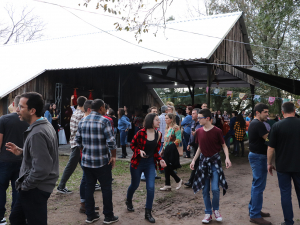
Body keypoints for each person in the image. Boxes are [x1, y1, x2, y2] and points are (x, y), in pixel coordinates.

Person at [6, 92, 59, 225]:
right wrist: (22, 152)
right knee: (16, 218)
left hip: (35, 188)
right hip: (35, 186)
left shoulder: (37, 133)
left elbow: (42, 168)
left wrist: (25, 186)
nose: (17, 110)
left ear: (32, 110)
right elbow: (43, 155)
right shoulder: (44, 125)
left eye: (21, 107)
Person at [76, 99, 118, 224]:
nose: (105, 110)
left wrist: (86, 151)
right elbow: (111, 142)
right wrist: (114, 156)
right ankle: (108, 216)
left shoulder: (82, 121)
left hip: (87, 162)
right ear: (101, 108)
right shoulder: (104, 121)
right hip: (102, 162)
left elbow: (78, 141)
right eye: (104, 108)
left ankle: (90, 215)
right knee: (106, 188)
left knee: (89, 188)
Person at [190, 108, 231, 224]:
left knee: (215, 189)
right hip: (203, 163)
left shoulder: (217, 131)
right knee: (205, 190)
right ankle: (208, 213)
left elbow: (224, 146)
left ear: (207, 118)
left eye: (200, 118)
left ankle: (216, 210)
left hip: (215, 163)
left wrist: (227, 158)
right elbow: (199, 148)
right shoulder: (198, 131)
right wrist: (193, 160)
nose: (198, 120)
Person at [126, 113, 167, 223]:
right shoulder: (140, 132)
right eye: (157, 120)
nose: (159, 122)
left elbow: (155, 152)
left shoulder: (158, 134)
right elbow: (132, 145)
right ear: (151, 121)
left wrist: (160, 159)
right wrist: (139, 151)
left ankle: (148, 212)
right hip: (137, 162)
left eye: (159, 120)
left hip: (150, 163)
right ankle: (128, 200)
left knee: (150, 187)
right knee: (135, 185)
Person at [267, 102, 300, 225]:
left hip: (283, 166)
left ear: (282, 112)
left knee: (285, 193)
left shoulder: (276, 126)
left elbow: (270, 148)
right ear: (294, 110)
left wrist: (269, 163)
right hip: (299, 165)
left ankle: (288, 221)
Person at [0, 96, 28, 225]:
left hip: (4, 160)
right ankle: (16, 217)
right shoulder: (28, 121)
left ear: (12, 104)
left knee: (0, 189)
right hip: (22, 159)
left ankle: (0, 217)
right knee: (17, 189)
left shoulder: (4, 119)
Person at [57, 96, 87, 194]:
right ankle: (61, 186)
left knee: (85, 166)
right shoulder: (81, 115)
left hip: (75, 143)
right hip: (78, 144)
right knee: (71, 166)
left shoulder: (76, 112)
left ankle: (92, 182)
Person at [248, 103, 271, 225]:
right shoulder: (259, 124)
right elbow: (269, 140)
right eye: (265, 112)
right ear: (258, 112)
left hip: (255, 156)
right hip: (259, 157)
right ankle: (255, 215)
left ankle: (254, 210)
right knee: (258, 186)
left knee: (256, 184)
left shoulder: (253, 123)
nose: (267, 114)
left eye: (267, 112)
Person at [160, 113, 182, 191]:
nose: (165, 119)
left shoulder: (176, 127)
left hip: (171, 150)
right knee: (166, 166)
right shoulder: (167, 127)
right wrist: (162, 150)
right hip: (166, 149)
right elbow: (165, 141)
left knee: (167, 166)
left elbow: (179, 139)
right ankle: (168, 184)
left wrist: (172, 146)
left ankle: (177, 180)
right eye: (165, 118)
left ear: (171, 119)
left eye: (167, 118)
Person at [185, 108, 202, 188]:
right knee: (196, 163)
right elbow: (191, 135)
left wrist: (197, 134)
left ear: (198, 115)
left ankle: (191, 181)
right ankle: (192, 181)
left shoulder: (201, 123)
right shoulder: (193, 123)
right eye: (192, 113)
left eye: (194, 113)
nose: (192, 115)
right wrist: (189, 144)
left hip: (201, 146)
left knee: (197, 163)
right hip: (195, 145)